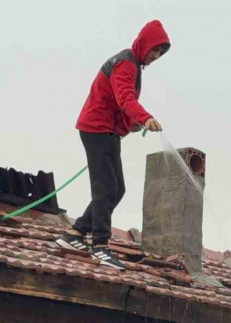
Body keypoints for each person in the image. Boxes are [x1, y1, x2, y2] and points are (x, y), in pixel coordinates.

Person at [56, 20, 170, 270]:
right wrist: (145, 117)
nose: (154, 57)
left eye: (159, 54)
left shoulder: (132, 64)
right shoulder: (126, 64)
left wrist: (133, 124)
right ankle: (100, 246)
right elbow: (124, 98)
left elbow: (119, 106)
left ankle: (75, 235)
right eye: (154, 51)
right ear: (144, 43)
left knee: (116, 190)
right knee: (106, 189)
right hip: (97, 130)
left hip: (105, 132)